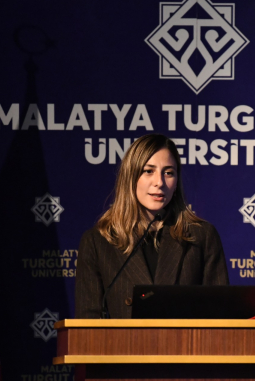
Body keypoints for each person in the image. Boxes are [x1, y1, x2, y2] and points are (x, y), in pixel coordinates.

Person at [74, 134, 229, 319]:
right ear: (130, 176)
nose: (159, 182)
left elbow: (221, 317)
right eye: (148, 171)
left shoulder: (201, 236)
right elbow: (87, 323)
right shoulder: (98, 242)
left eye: (168, 173)